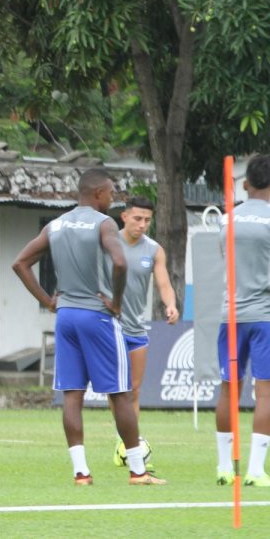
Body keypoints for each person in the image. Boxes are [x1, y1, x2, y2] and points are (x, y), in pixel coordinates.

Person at [12, 168, 164, 485]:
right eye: (110, 193)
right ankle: (138, 471)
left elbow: (20, 263)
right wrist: (118, 302)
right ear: (97, 193)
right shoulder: (103, 223)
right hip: (97, 316)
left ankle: (81, 473)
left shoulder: (56, 224)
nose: (112, 198)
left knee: (72, 395)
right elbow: (120, 262)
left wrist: (48, 300)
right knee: (121, 393)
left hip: (65, 316)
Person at [108, 197, 178, 467]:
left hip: (137, 328)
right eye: (137, 218)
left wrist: (170, 304)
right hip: (109, 326)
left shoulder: (154, 250)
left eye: (147, 220)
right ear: (124, 216)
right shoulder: (109, 242)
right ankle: (123, 440)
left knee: (134, 389)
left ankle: (124, 444)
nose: (142, 224)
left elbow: (164, 284)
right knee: (117, 390)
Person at [215, 154, 270, 487]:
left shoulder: (226, 220)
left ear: (246, 184)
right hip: (265, 316)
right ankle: (254, 471)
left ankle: (224, 468)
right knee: (265, 394)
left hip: (231, 316)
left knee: (227, 391)